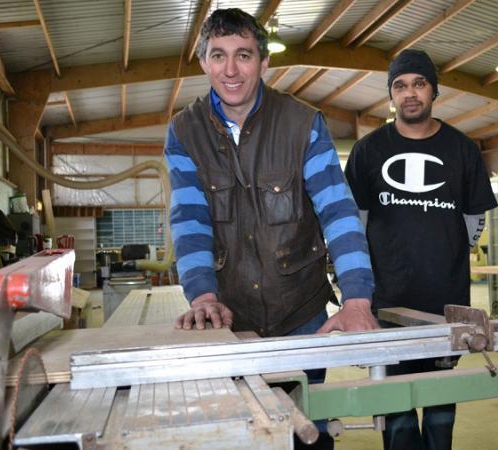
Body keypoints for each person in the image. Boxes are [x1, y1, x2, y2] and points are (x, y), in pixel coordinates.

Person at [163, 8, 378, 449]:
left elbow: (337, 211)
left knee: (306, 431)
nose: (230, 69)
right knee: (242, 433)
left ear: (264, 62)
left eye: (243, 55)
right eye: (218, 55)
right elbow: (190, 220)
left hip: (302, 313)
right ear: (203, 61)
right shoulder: (184, 132)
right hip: (230, 317)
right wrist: (202, 295)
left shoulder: (303, 123)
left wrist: (357, 298)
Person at [345, 49, 498, 450]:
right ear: (390, 95)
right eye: (400, 85)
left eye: (418, 83)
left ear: (434, 90)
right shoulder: (368, 151)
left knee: (440, 414)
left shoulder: (462, 149)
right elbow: (354, 225)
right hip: (389, 300)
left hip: (445, 306)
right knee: (396, 415)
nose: (410, 93)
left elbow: (473, 221)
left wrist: (442, 257)